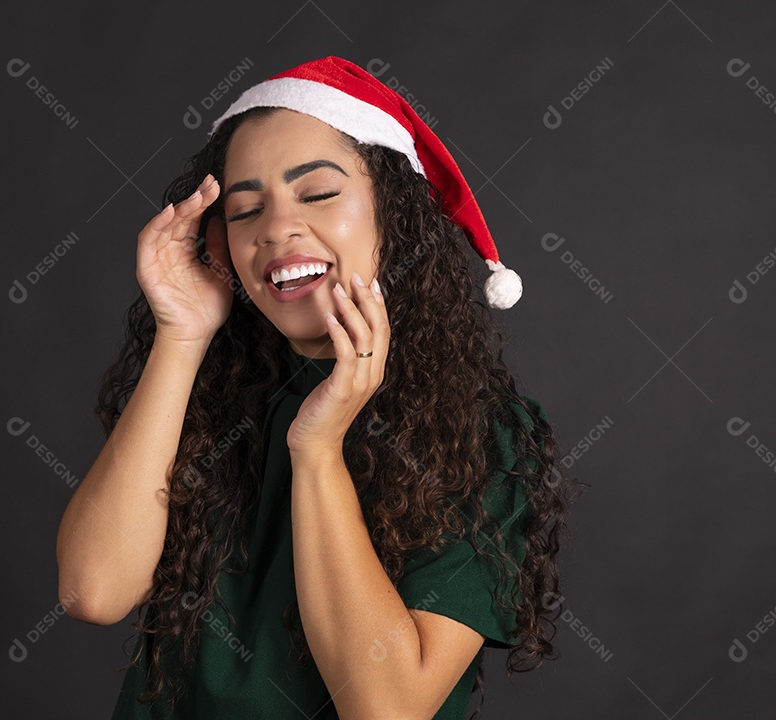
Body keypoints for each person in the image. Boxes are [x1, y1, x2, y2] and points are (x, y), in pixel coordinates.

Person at [56, 56, 579, 720]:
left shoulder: (482, 434)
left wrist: (317, 449)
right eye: (246, 209)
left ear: (393, 214)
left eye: (318, 193)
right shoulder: (209, 396)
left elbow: (387, 710)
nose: (275, 228)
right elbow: (92, 591)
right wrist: (181, 336)